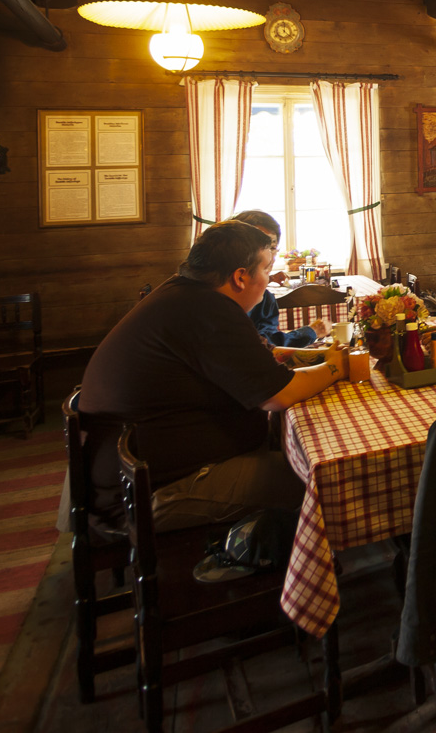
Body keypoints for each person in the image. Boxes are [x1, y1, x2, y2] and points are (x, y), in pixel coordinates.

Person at [80, 220, 347, 531]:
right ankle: (296, 558)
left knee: (294, 451)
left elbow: (262, 357)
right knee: (321, 480)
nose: (269, 278)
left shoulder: (186, 294)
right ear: (240, 277)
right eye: (266, 269)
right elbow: (278, 395)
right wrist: (337, 366)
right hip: (146, 495)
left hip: (136, 476)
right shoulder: (208, 309)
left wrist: (317, 357)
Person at [231, 209, 324, 359]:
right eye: (258, 246)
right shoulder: (213, 299)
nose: (267, 255)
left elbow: (268, 345)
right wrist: (310, 332)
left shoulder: (265, 299)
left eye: (272, 248)